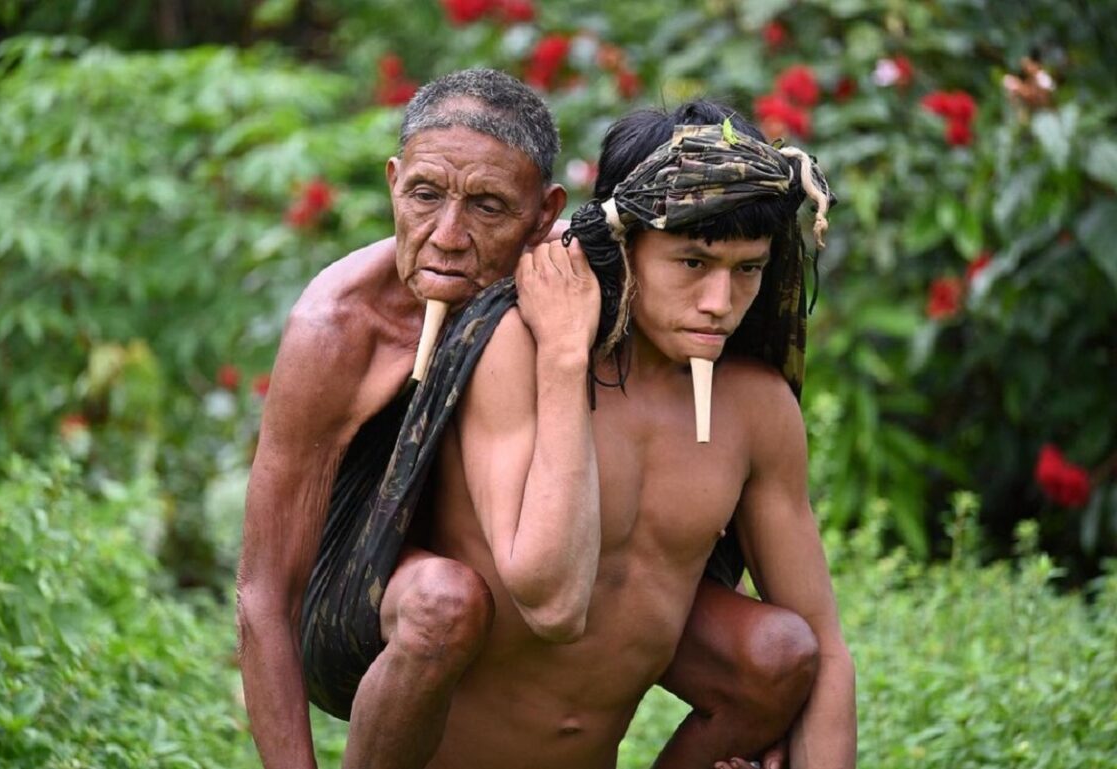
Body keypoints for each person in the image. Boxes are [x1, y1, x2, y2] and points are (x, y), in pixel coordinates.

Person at [237, 68, 819, 769]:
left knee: (774, 652)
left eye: (487, 207)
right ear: (393, 182)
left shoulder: (570, 298)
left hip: (540, 608)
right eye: (425, 195)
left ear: (546, 216)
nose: (448, 236)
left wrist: (772, 711)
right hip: (391, 602)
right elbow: (266, 591)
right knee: (442, 602)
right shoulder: (341, 326)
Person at [416, 103, 856, 768]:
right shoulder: (517, 349)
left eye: (747, 269)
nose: (720, 301)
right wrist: (565, 356)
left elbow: (824, 649)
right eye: (692, 261)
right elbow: (551, 601)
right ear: (623, 248)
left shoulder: (755, 410)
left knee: (783, 648)